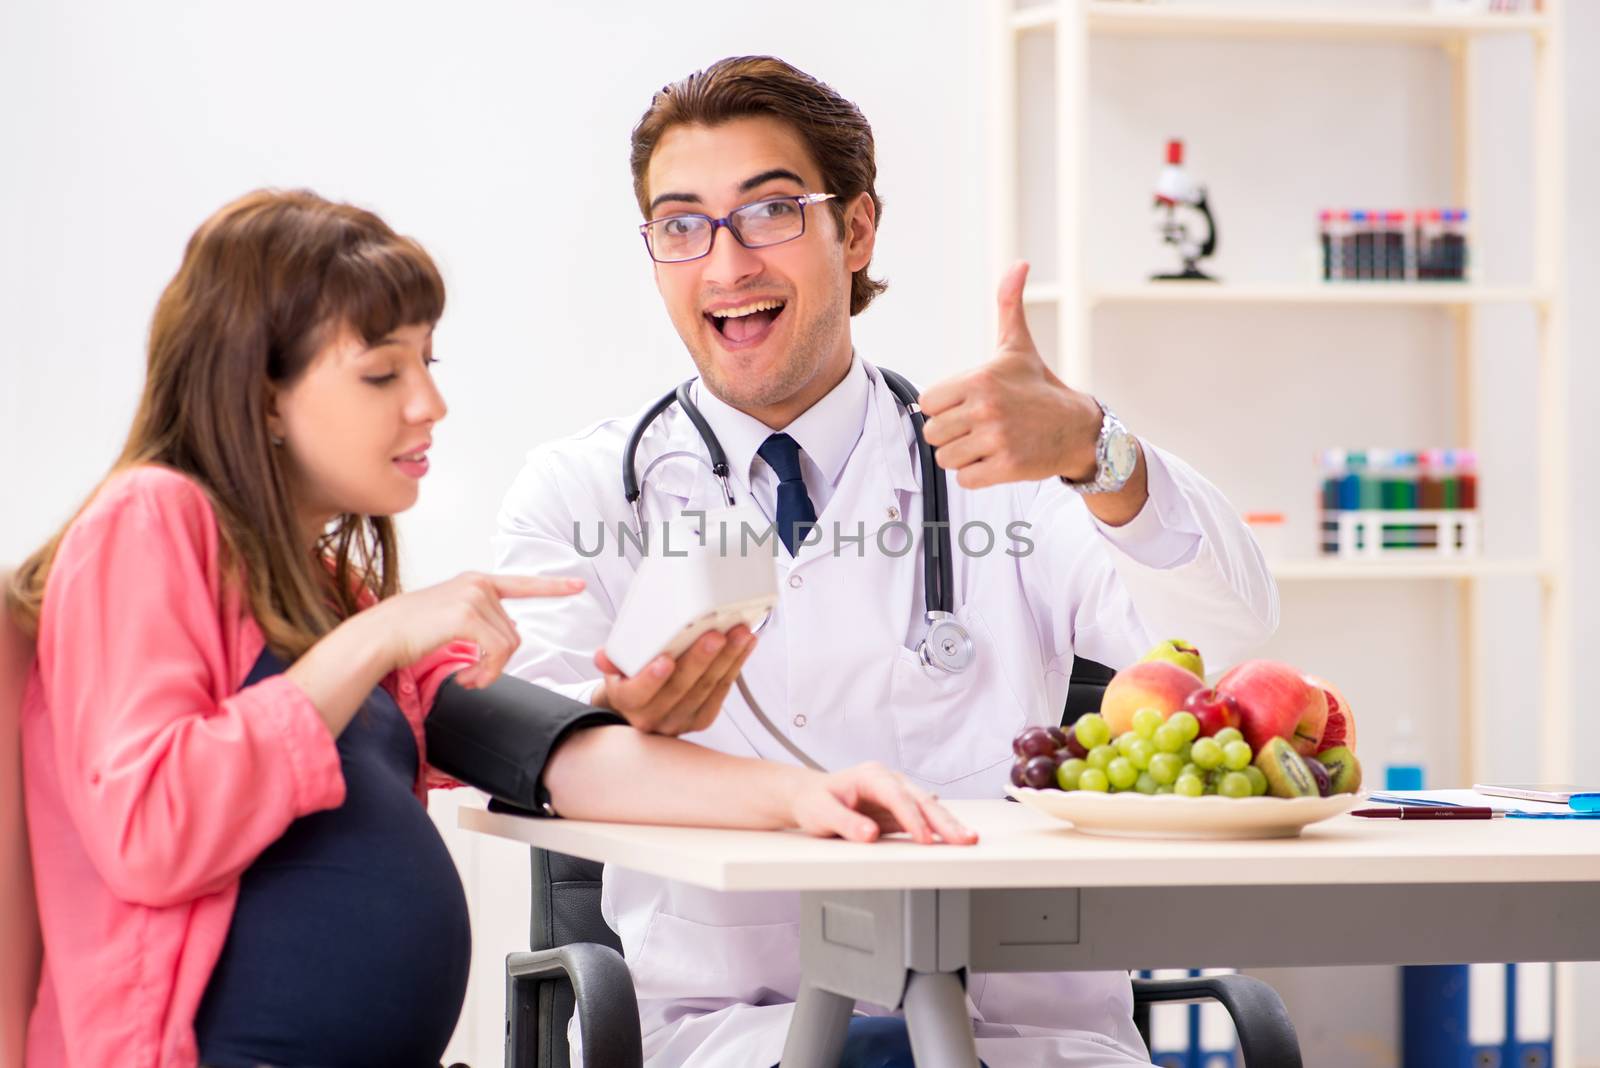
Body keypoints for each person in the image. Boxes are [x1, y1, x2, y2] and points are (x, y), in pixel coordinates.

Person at [7, 189, 974, 1068]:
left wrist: (807, 797)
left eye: (425, 364)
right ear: (263, 395)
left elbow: (556, 761)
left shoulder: (331, 592)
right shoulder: (152, 520)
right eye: (381, 374)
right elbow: (151, 832)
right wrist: (376, 641)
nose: (429, 404)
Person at [493, 56, 1280, 1067]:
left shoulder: (1011, 459)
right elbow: (535, 751)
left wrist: (1099, 447)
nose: (725, 265)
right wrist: (622, 728)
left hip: (1022, 1034)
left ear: (855, 230)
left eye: (769, 212)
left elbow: (1220, 636)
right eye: (681, 225)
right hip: (735, 1032)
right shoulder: (587, 491)